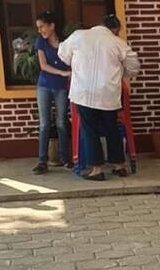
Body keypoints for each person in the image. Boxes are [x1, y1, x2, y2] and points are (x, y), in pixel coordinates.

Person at [58, 14, 139, 181]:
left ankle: (97, 169)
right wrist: (125, 74)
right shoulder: (117, 42)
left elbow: (63, 53)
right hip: (108, 94)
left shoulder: (79, 35)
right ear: (115, 30)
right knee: (112, 129)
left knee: (90, 130)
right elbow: (134, 64)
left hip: (84, 93)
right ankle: (119, 166)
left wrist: (74, 63)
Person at [31, 11, 71, 175]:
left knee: (61, 122)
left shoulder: (65, 43)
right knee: (44, 124)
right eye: (38, 28)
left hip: (61, 87)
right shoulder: (40, 42)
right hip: (44, 86)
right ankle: (42, 161)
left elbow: (71, 62)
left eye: (42, 27)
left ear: (52, 26)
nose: (40, 30)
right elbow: (43, 65)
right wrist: (62, 73)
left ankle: (66, 159)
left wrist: (69, 72)